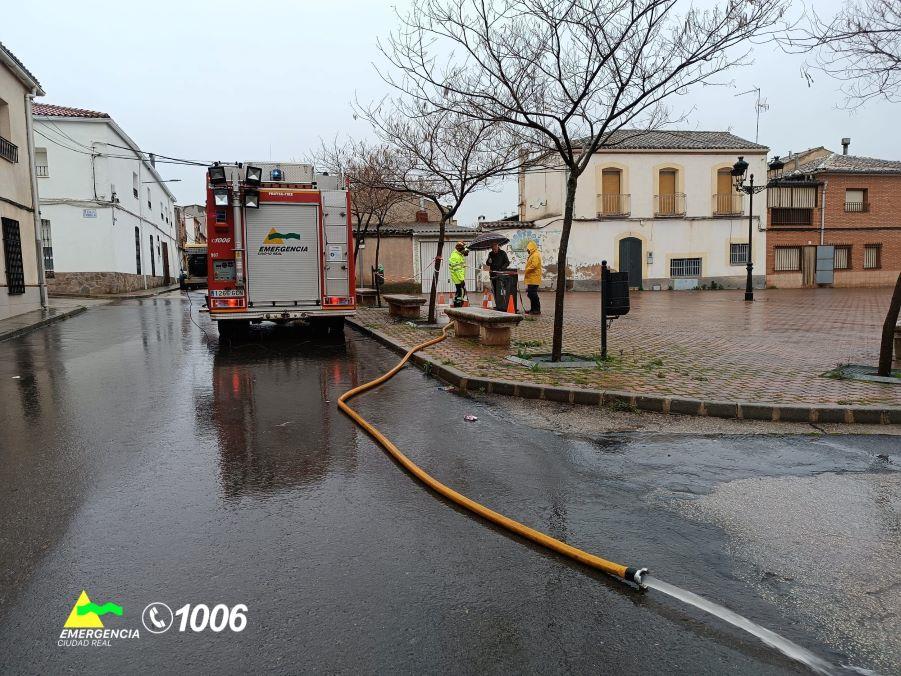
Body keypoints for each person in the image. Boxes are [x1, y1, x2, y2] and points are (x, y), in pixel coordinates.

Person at [484, 242, 510, 309]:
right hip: (493, 274)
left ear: (497, 246)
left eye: (495, 248)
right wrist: (488, 261)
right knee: (495, 290)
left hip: (501, 274)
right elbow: (487, 263)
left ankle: (502, 304)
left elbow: (507, 262)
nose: (494, 250)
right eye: (492, 248)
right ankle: (498, 304)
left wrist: (502, 268)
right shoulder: (490, 254)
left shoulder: (503, 253)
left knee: (501, 290)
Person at [524, 240, 542, 315]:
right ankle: (533, 309)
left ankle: (537, 309)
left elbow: (534, 265)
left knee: (533, 294)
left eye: (528, 249)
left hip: (534, 278)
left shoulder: (535, 255)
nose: (527, 251)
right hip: (531, 278)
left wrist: (526, 270)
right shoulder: (533, 254)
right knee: (531, 294)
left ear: (531, 248)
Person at [449, 241, 468, 307]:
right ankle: (457, 305)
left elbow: (460, 265)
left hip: (459, 277)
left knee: (461, 292)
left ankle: (459, 304)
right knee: (460, 292)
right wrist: (461, 279)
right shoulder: (455, 256)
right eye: (463, 250)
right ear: (459, 249)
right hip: (458, 278)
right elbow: (457, 269)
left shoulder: (459, 254)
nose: (464, 251)